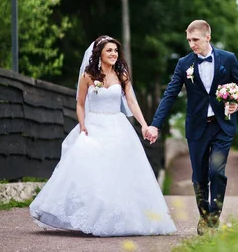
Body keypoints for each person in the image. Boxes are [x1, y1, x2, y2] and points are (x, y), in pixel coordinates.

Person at [29, 35, 176, 237]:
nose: (114, 54)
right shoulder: (88, 76)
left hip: (118, 126)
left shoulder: (121, 74)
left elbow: (131, 102)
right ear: (99, 53)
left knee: (119, 172)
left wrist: (144, 125)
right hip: (94, 126)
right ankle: (91, 216)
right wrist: (82, 126)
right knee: (92, 171)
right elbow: (80, 104)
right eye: (109, 50)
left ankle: (121, 218)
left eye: (116, 51)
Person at [146, 20, 238, 235]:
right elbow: (170, 94)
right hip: (197, 128)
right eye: (189, 40)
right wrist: (156, 124)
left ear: (207, 37)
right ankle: (203, 216)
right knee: (199, 176)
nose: (191, 44)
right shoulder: (184, 64)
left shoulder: (228, 59)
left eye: (195, 40)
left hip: (223, 125)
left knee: (216, 172)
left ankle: (214, 217)